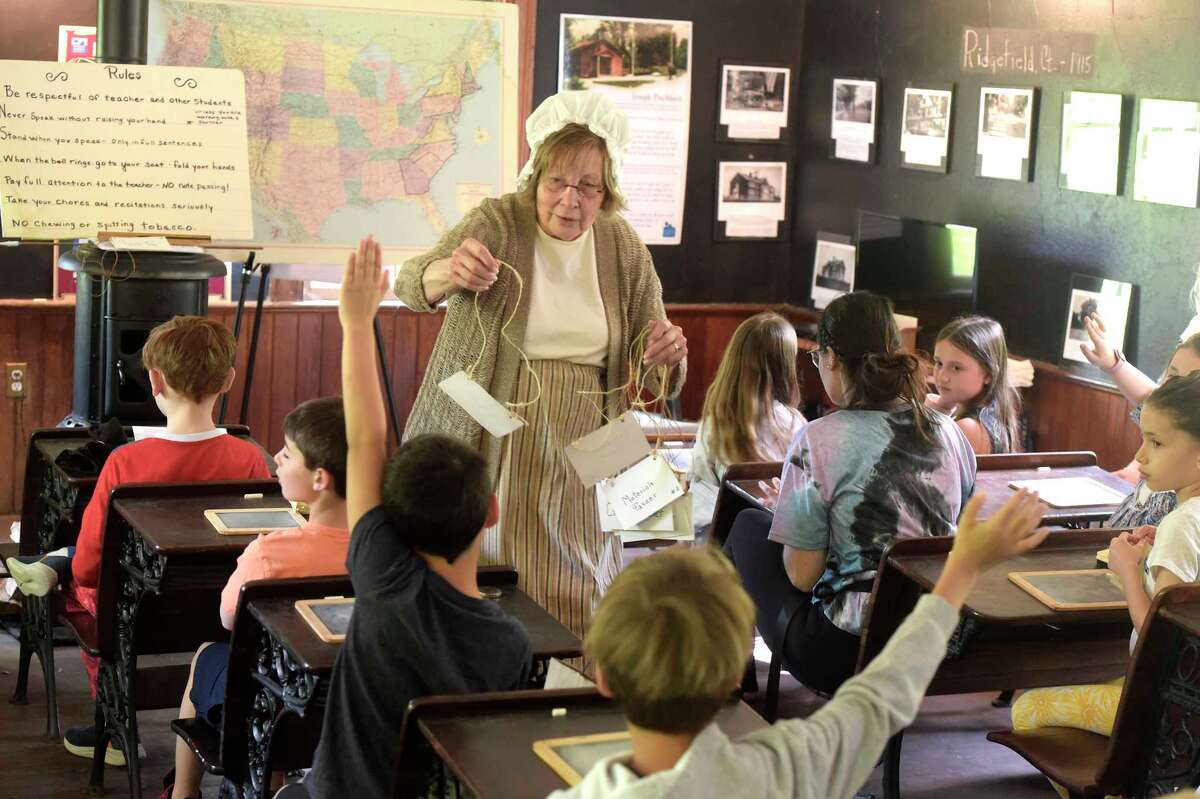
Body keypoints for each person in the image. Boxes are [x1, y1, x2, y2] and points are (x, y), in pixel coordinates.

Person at [394, 91, 687, 638]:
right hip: (500, 417)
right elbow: (411, 284)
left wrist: (667, 355)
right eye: (556, 182)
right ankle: (498, 687)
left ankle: (573, 689)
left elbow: (653, 368)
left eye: (588, 187)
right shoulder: (499, 222)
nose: (569, 200)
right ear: (535, 176)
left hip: (592, 427)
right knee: (504, 562)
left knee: (585, 571)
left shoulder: (623, 247)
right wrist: (450, 273)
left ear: (608, 192)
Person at [548, 491, 1049, 799]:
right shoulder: (789, 768)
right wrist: (960, 571)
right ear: (730, 676)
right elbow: (881, 694)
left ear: (605, 678)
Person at [295, 237, 532, 799]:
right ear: (490, 513)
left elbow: (365, 438)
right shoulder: (513, 644)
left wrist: (357, 324)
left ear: (390, 516)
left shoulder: (383, 579)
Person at [6, 315, 270, 765]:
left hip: (136, 617)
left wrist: (74, 570)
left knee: (82, 581)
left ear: (153, 380)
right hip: (222, 613)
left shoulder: (125, 462)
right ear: (227, 380)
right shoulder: (250, 458)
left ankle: (115, 734)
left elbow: (91, 563)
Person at [725, 292, 976, 695]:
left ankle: (727, 680)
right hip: (931, 645)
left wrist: (790, 517)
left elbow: (802, 577)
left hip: (844, 652)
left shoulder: (819, 439)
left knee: (744, 525)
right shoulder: (950, 433)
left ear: (832, 359)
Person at [1011, 372, 1200, 798]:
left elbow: (1160, 634)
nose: (1141, 455)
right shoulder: (1183, 525)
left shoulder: (1181, 525)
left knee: (1028, 708)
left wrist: (1128, 571)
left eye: (1156, 442)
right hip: (1189, 709)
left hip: (1168, 709)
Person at [162, 397, 350, 799]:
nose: (276, 458)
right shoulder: (386, 552)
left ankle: (182, 793)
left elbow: (229, 619)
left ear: (320, 478)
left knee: (207, 655)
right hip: (351, 707)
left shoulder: (268, 552)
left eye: (287, 452)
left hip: (269, 714)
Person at [686, 312, 805, 538]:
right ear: (787, 366)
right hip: (779, 547)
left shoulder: (715, 426)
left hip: (722, 550)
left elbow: (699, 497)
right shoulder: (798, 425)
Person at [1079, 313, 1200, 528]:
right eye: (1171, 377)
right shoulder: (1163, 415)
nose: (1170, 391)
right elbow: (1152, 400)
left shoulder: (1184, 496)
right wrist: (1115, 364)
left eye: (1185, 384)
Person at [925, 315, 1021, 454]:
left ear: (989, 374)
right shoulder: (993, 413)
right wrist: (942, 409)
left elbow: (919, 468)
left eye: (956, 368)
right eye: (939, 363)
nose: (942, 377)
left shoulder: (969, 428)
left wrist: (931, 416)